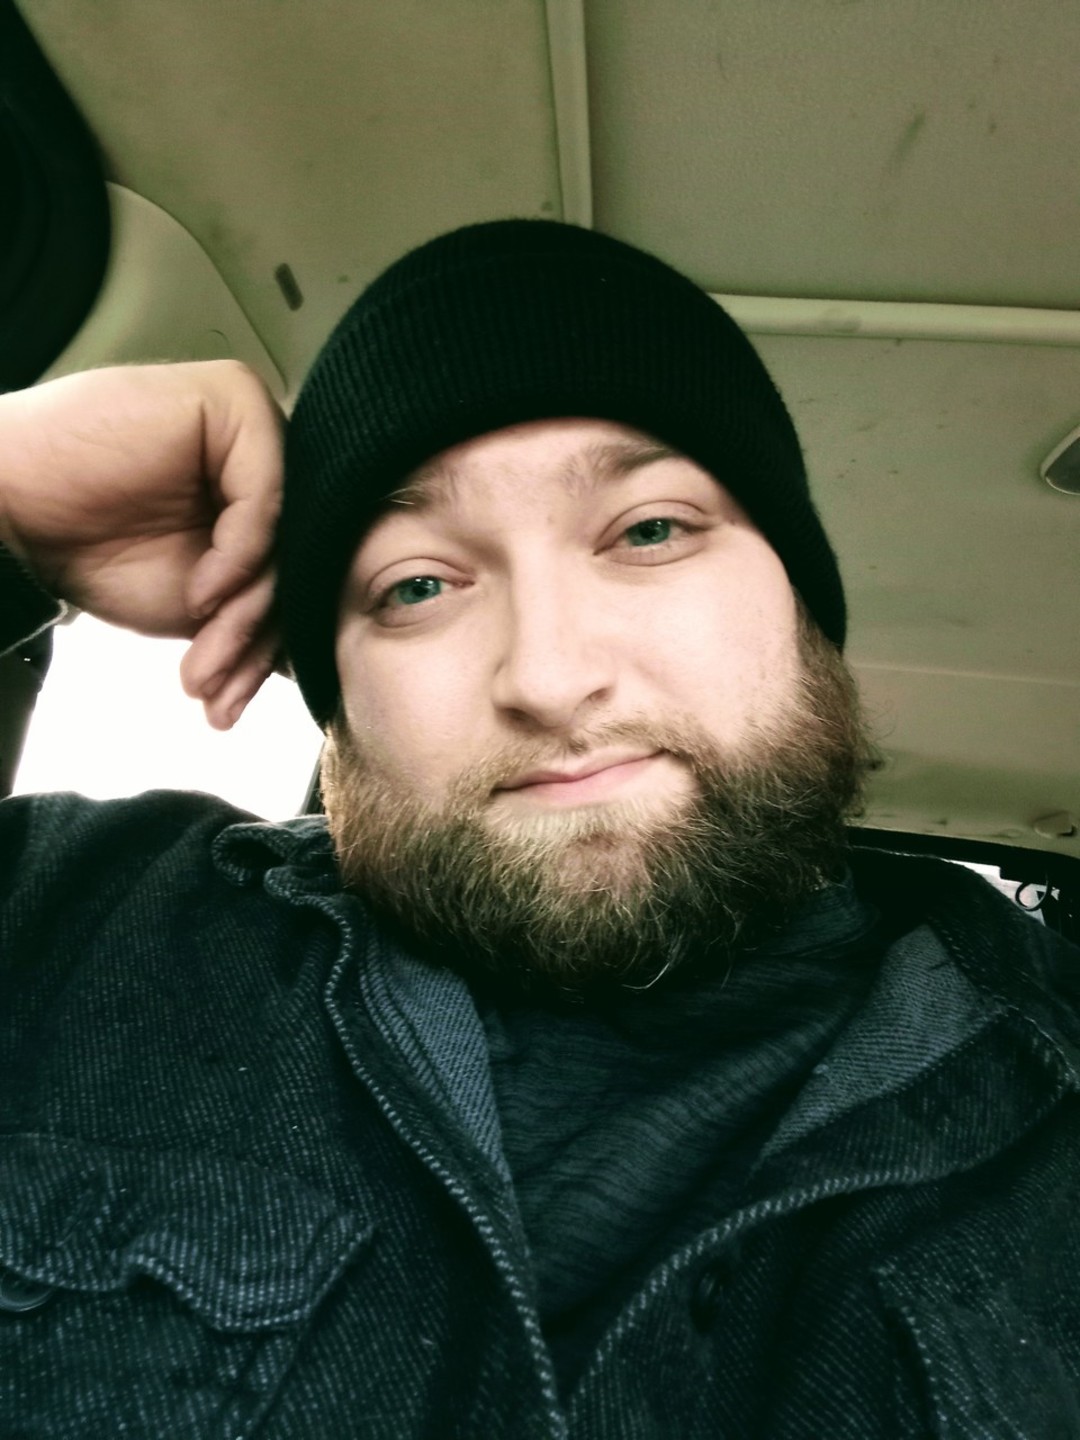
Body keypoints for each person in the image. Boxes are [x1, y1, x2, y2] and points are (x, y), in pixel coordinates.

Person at [1, 220, 1077, 1439]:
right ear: (337, 701)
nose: (552, 678)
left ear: (801, 602)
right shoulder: (61, 928)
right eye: (417, 585)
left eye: (650, 530)